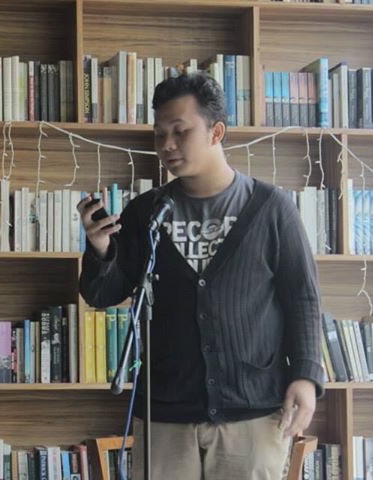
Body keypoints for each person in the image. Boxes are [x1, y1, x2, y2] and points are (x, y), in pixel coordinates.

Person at [77, 72, 323, 480]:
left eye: (180, 131)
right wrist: (101, 248)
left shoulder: (272, 208)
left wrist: (306, 375)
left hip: (253, 410)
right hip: (165, 412)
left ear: (216, 132)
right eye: (159, 134)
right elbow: (103, 294)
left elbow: (303, 298)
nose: (167, 145)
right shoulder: (145, 212)